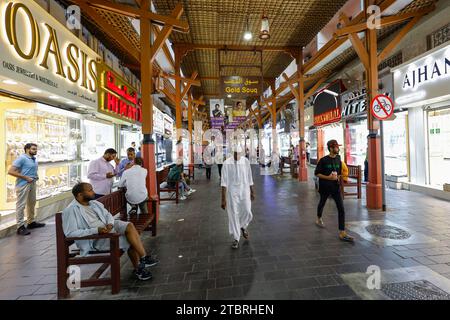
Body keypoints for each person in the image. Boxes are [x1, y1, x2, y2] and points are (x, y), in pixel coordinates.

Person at [62, 183, 158, 280]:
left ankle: (143, 257)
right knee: (130, 240)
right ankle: (138, 269)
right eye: (90, 190)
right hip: (96, 238)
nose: (93, 192)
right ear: (80, 195)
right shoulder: (71, 210)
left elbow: (108, 215)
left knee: (129, 226)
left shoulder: (94, 203)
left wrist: (110, 224)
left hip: (107, 228)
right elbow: (70, 233)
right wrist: (96, 230)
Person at [314, 140, 354, 242]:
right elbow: (317, 173)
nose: (338, 148)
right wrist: (328, 177)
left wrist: (338, 177)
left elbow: (339, 172)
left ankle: (342, 232)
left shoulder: (338, 158)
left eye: (337, 147)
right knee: (322, 202)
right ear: (331, 148)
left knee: (341, 208)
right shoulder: (323, 160)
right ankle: (319, 218)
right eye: (336, 147)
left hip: (335, 187)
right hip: (325, 186)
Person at [221, 145, 255, 249]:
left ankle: (243, 226)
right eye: (236, 154)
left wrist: (252, 192)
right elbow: (224, 183)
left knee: (247, 211)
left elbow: (249, 177)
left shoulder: (245, 162)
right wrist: (223, 199)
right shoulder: (226, 164)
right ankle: (236, 238)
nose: (237, 156)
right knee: (234, 214)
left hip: (244, 190)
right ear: (233, 153)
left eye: (239, 154)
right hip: (232, 192)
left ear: (242, 153)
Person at [8, 143, 45, 235]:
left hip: (32, 183)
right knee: (21, 205)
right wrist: (26, 178)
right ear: (27, 149)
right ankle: (20, 227)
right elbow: (11, 171)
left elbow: (31, 171)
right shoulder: (22, 158)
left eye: (36, 149)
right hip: (23, 184)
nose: (35, 151)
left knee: (32, 203)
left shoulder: (34, 159)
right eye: (33, 149)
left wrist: (36, 177)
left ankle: (31, 222)